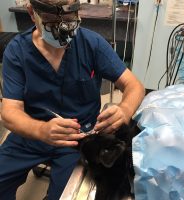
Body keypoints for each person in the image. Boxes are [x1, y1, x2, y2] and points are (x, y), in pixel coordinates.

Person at [0, 0, 145, 199]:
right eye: (51, 21)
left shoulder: (92, 44)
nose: (62, 29)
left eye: (68, 20)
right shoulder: (17, 52)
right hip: (30, 134)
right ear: (32, 13)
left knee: (65, 195)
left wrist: (125, 109)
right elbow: (9, 113)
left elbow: (134, 85)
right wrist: (41, 130)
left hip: (77, 139)